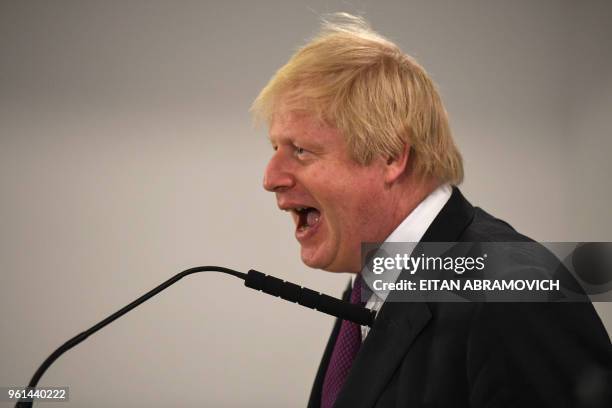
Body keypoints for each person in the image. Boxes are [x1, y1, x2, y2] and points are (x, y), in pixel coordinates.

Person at [252, 13, 612, 408]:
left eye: (301, 150)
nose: (271, 178)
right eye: (275, 149)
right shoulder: (372, 284)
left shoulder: (514, 293)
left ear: (390, 156)